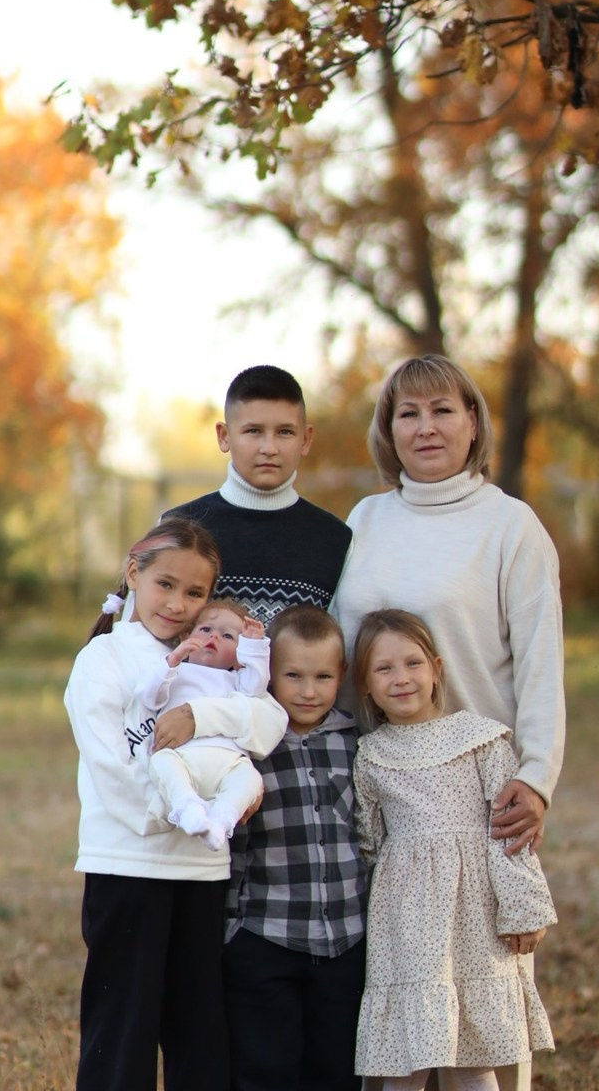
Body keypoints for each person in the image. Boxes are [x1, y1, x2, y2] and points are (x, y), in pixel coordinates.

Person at [64, 519, 288, 1091]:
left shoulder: (217, 662)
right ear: (134, 574)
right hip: (129, 863)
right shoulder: (105, 659)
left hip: (203, 869)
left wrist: (202, 717)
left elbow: (266, 722)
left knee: (198, 1027)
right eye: (165, 584)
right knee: (124, 1029)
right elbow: (110, 766)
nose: (179, 604)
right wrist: (183, 812)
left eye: (196, 593)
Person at [332, 354, 565, 858]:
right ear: (389, 430)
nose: (426, 428)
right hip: (373, 787)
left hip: (476, 794)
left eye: (442, 411)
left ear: (473, 422)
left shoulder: (510, 526)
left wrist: (536, 777)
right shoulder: (365, 520)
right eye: (409, 414)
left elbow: (539, 665)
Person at [350, 609, 557, 1091]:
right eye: (384, 669)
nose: (401, 679)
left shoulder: (480, 740)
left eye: (413, 663)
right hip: (405, 920)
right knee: (406, 1057)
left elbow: (509, 831)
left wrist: (523, 908)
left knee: (471, 1055)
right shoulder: (371, 755)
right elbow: (368, 841)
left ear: (437, 669)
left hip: (474, 913)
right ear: (364, 684)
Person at [222, 605, 369, 1091]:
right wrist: (232, 929)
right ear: (269, 673)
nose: (309, 691)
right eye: (293, 675)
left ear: (342, 675)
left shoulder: (357, 743)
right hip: (266, 936)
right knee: (266, 1069)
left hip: (345, 941)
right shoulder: (252, 744)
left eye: (323, 676)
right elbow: (234, 841)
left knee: (337, 1071)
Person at [165, 364, 352, 625]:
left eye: (285, 432)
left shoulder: (335, 540)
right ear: (224, 436)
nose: (269, 448)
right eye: (253, 431)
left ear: (306, 440)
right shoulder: (179, 527)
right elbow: (140, 639)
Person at [126, 600, 272, 852]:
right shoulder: (176, 672)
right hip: (183, 756)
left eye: (228, 635)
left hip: (229, 762)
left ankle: (221, 820)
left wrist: (254, 646)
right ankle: (188, 808)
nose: (214, 636)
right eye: (205, 630)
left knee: (251, 779)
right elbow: (148, 697)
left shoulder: (238, 679)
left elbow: (257, 686)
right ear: (186, 636)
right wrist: (173, 660)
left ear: (239, 656)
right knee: (161, 763)